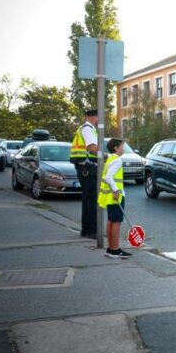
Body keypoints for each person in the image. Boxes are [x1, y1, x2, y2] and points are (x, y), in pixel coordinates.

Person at [97, 138, 132, 259]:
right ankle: (115, 250)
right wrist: (116, 190)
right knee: (116, 221)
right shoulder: (117, 160)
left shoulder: (110, 159)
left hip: (110, 196)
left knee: (111, 221)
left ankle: (110, 248)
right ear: (116, 148)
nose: (124, 148)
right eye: (122, 146)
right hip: (116, 195)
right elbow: (108, 177)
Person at [70, 108, 99, 239]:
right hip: (87, 168)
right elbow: (92, 147)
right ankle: (91, 231)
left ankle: (86, 230)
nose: (99, 121)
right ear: (94, 117)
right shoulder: (88, 128)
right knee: (91, 200)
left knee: (87, 199)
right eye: (98, 117)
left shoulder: (84, 128)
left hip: (84, 167)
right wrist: (105, 154)